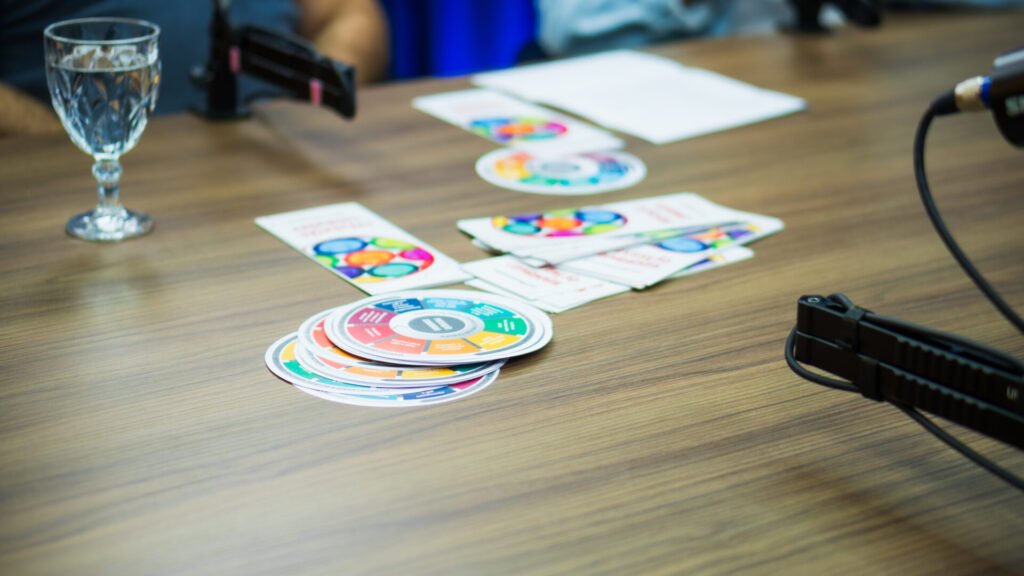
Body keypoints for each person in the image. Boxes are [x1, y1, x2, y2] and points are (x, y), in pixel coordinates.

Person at [0, 0, 390, 136]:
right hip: (73, 184)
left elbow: (350, 12)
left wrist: (305, 111)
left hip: (273, 155)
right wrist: (75, 142)